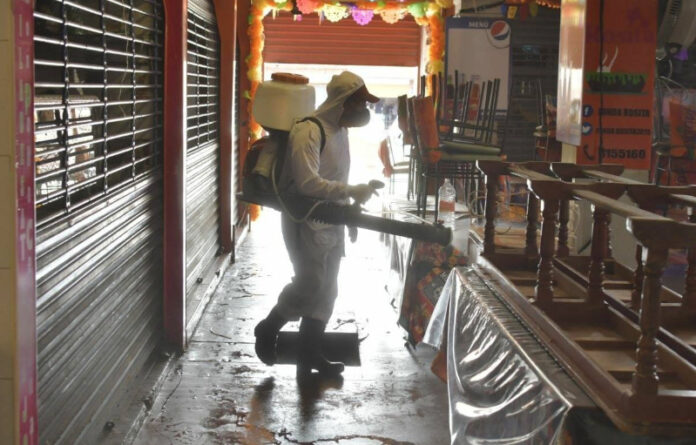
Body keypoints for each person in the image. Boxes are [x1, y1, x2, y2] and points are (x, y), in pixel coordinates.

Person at [254, 71, 379, 381]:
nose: (365, 110)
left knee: (328, 290)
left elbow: (338, 178)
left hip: (333, 221)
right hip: (304, 220)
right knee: (310, 283)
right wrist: (350, 192)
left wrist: (349, 211)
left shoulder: (341, 131)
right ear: (342, 102)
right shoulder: (308, 131)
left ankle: (310, 354)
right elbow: (308, 183)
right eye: (360, 103)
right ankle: (268, 328)